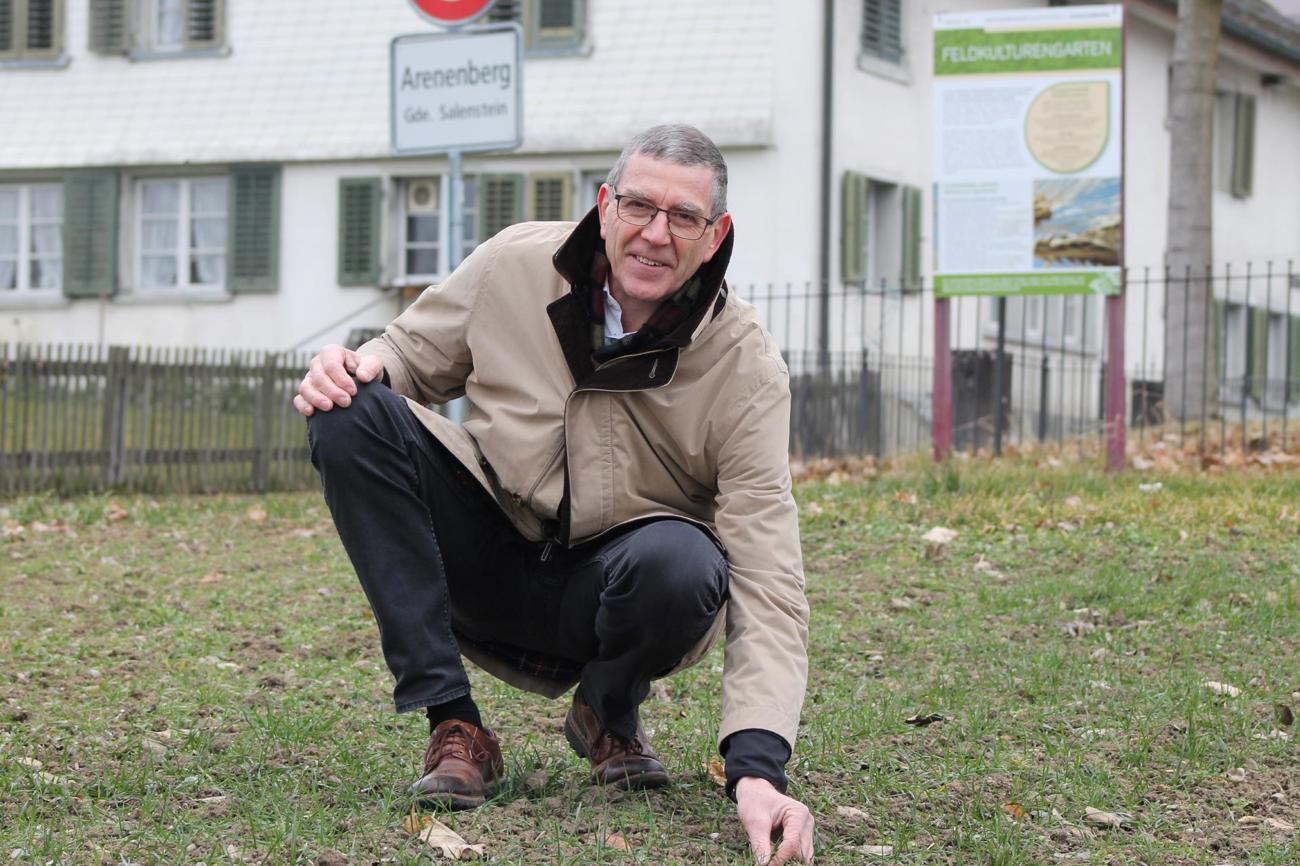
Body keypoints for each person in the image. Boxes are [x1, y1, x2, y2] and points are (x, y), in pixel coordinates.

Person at [294, 124, 813, 864]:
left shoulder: (746, 368)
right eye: (638, 206)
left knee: (686, 563)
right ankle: (456, 722)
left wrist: (757, 769)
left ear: (715, 234)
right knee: (347, 409)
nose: (655, 235)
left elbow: (768, 571)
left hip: (616, 590)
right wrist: (350, 364)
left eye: (684, 217)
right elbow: (405, 352)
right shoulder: (513, 262)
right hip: (486, 547)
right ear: (604, 206)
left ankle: (607, 709)